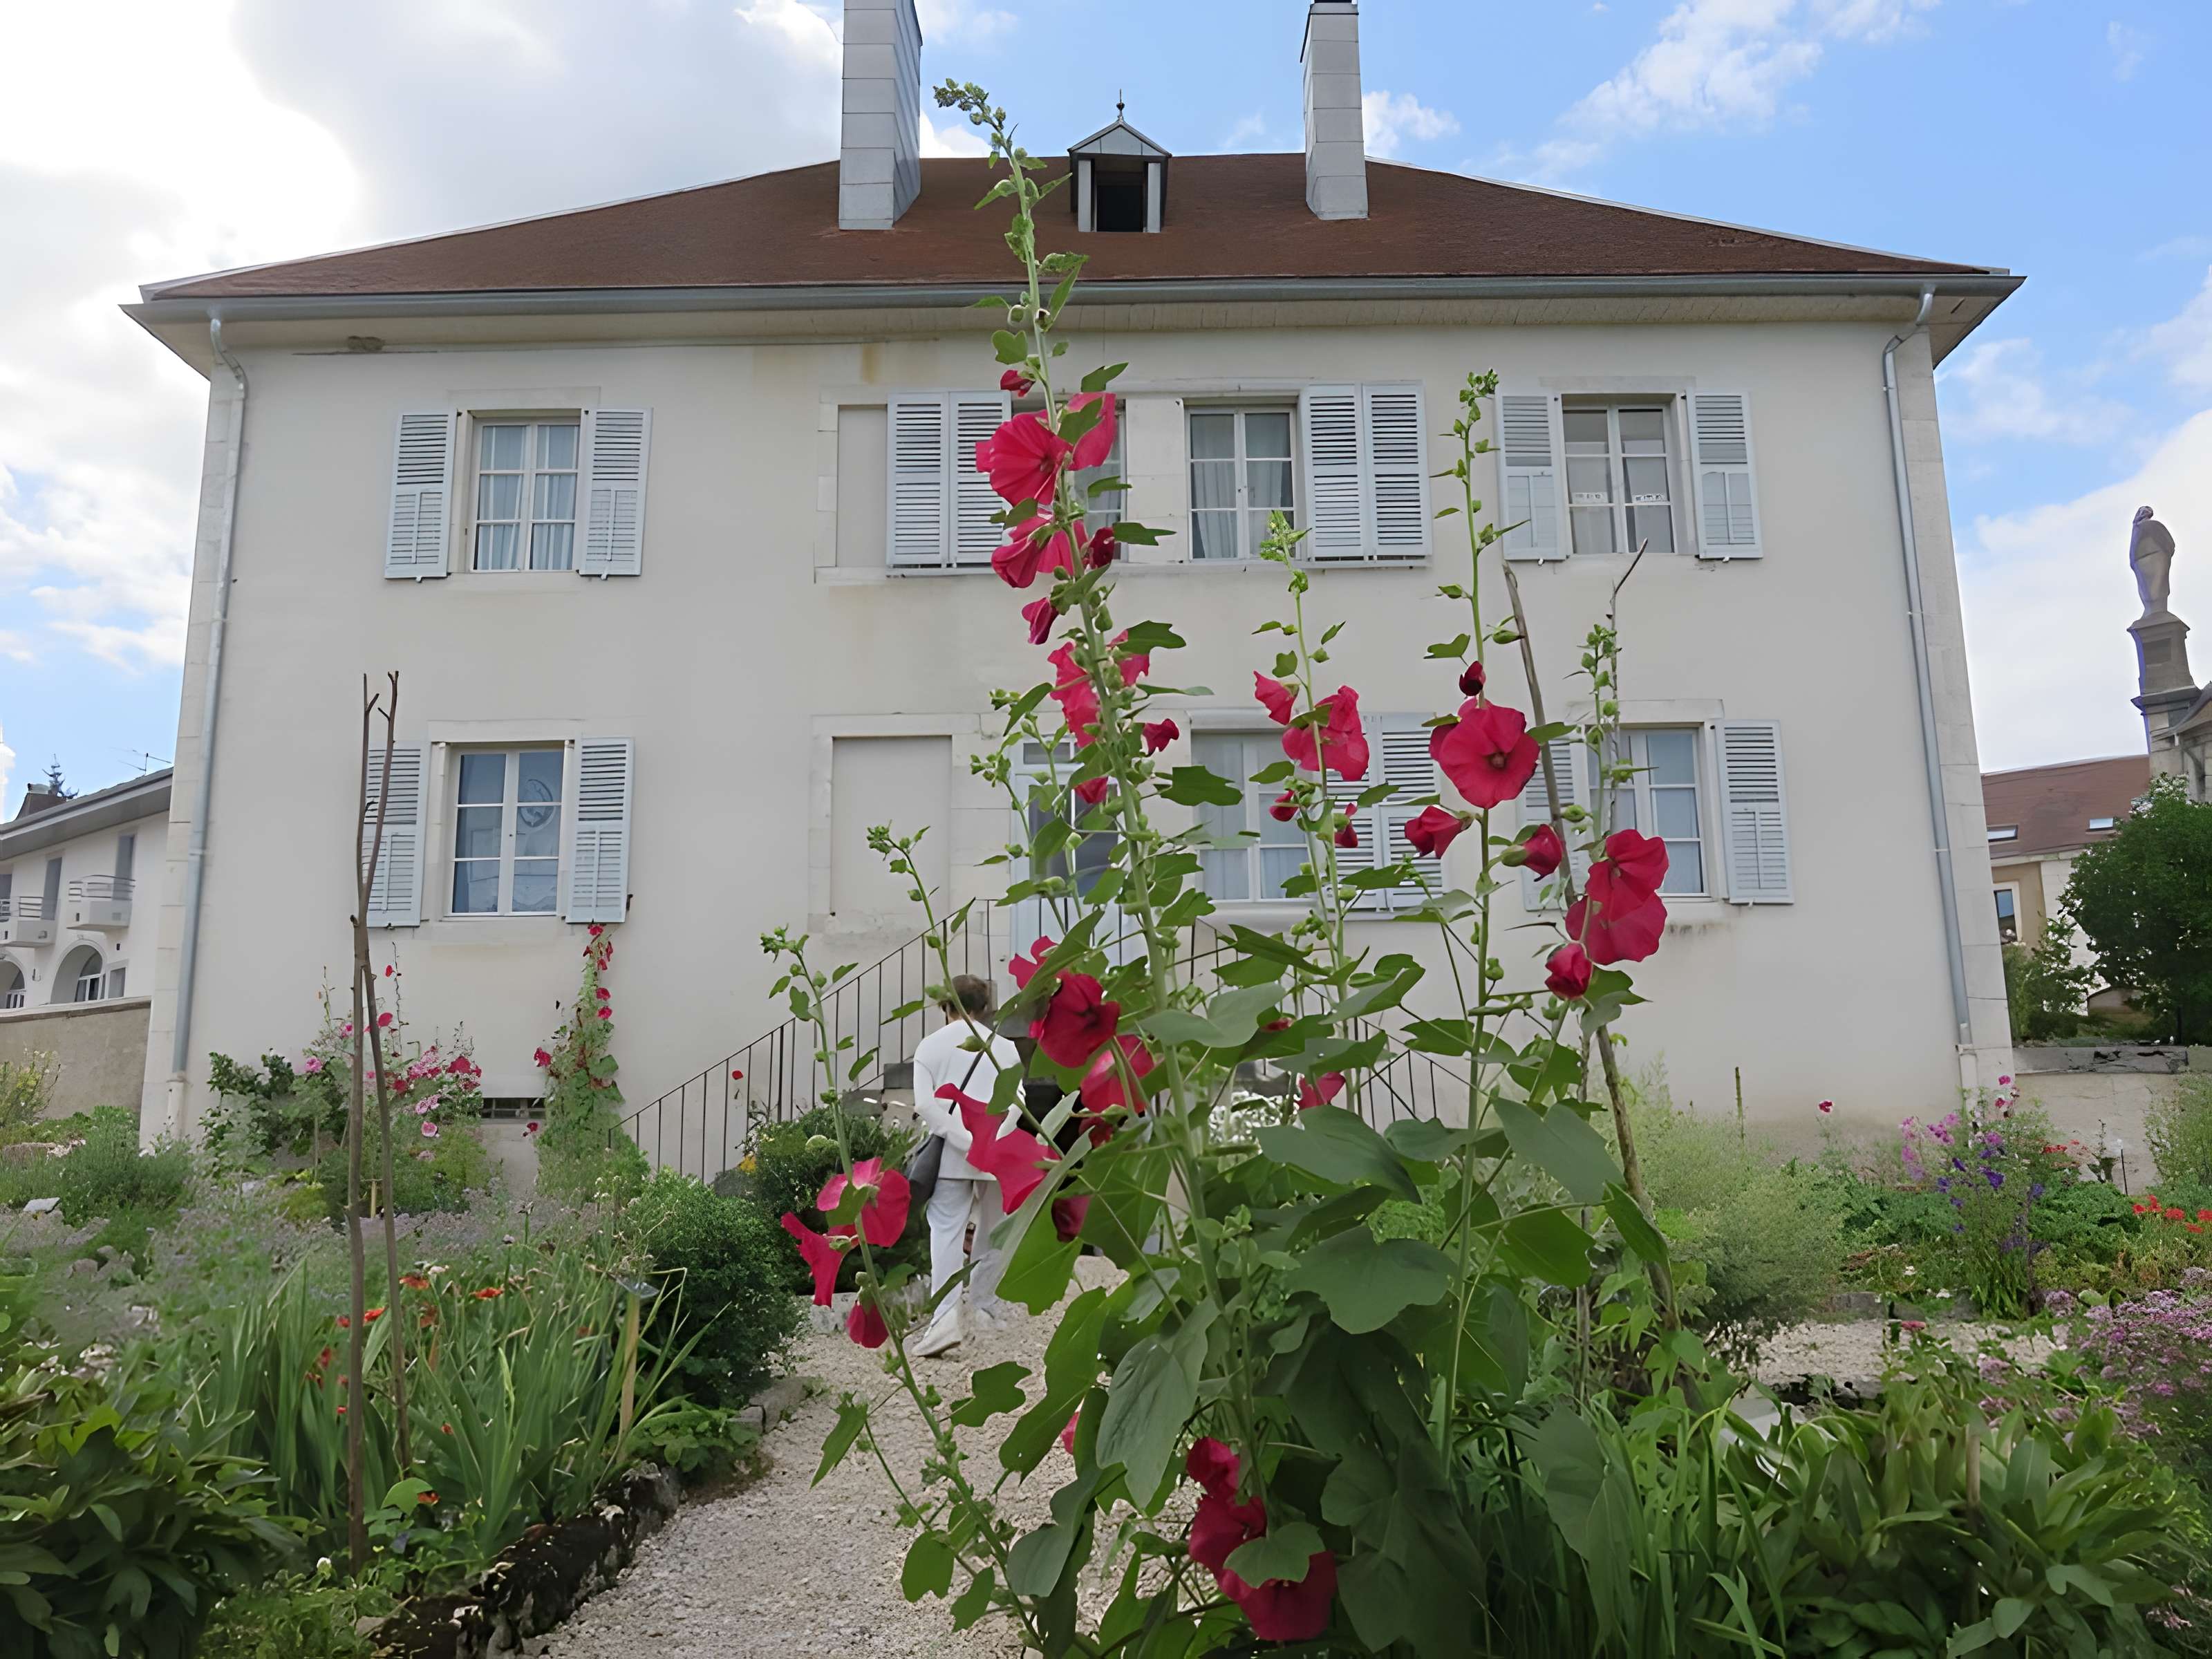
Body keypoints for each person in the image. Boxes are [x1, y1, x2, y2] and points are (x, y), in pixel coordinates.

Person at [906, 975, 1022, 1358]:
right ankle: (986, 1309)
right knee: (993, 1232)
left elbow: (925, 1104)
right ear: (985, 1007)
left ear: (946, 1006)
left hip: (953, 1157)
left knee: (946, 1234)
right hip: (995, 1157)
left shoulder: (931, 1046)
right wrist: (988, 1142)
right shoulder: (1005, 1049)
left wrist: (963, 1141)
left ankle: (945, 1320)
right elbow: (1018, 1102)